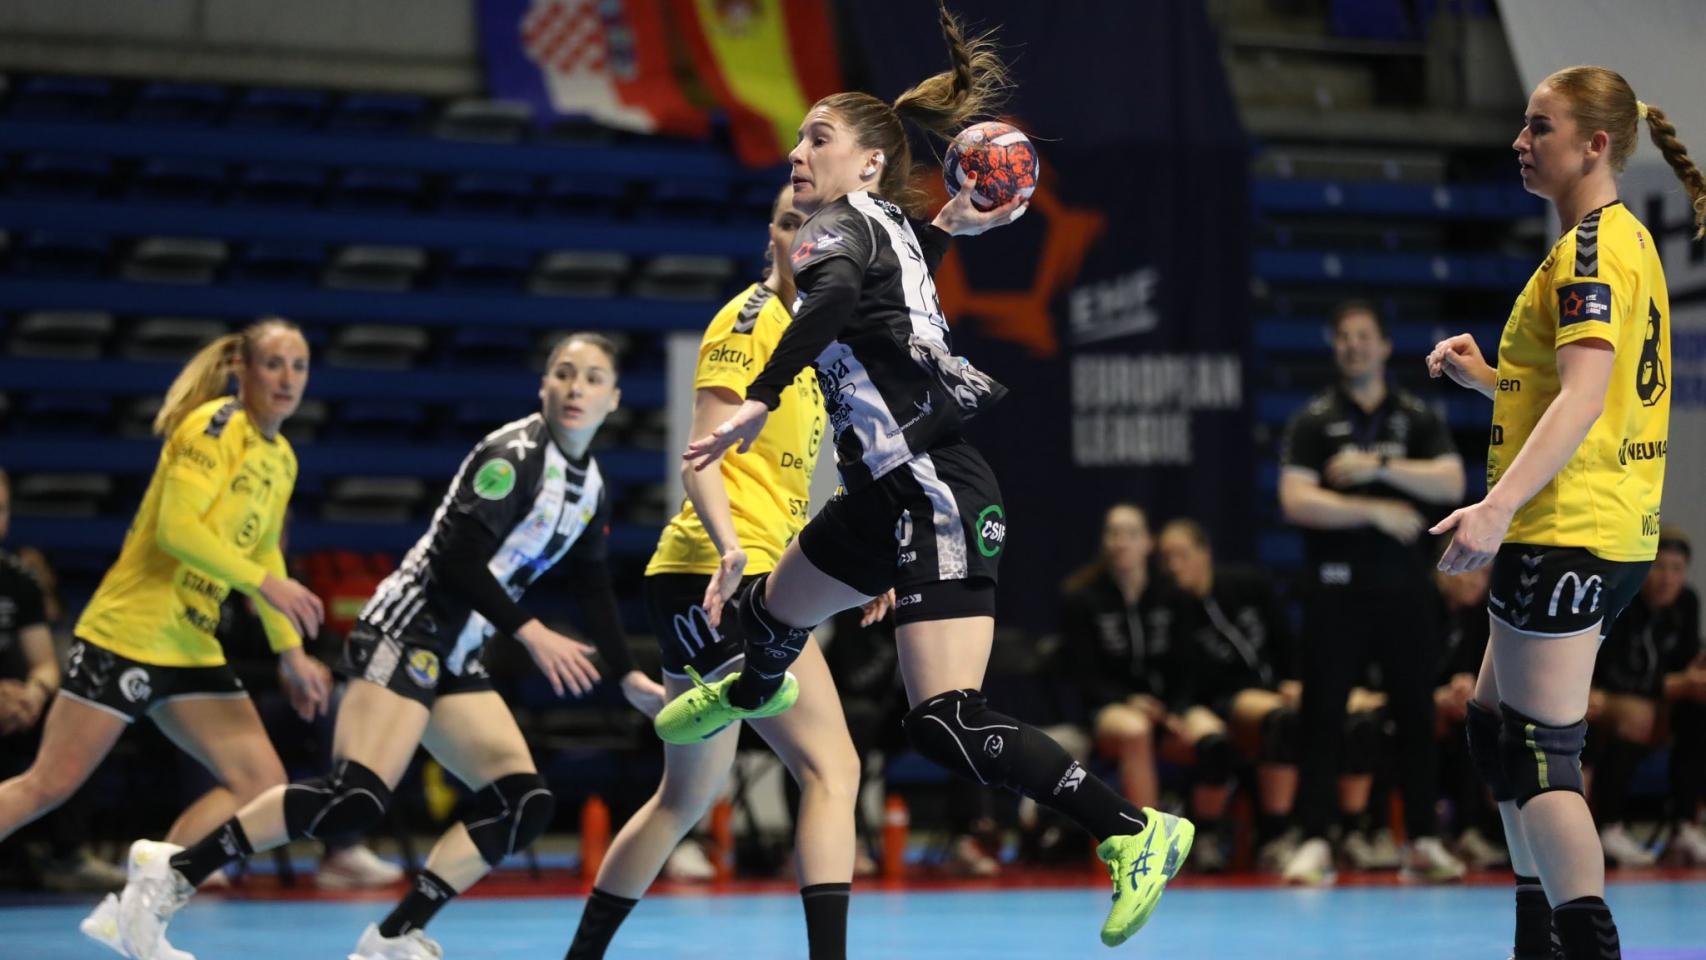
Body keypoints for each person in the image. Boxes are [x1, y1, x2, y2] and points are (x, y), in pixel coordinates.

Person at [652, 6, 1193, 947]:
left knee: (944, 721)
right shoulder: (890, 225)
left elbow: (822, 309)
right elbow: (885, 290)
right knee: (775, 618)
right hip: (887, 494)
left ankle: (1136, 831)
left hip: (933, 484)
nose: (796, 151)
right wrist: (952, 215)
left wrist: (757, 397)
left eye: (816, 136)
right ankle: (746, 690)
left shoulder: (837, 231)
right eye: (795, 137)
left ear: (868, 161)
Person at [111, 333, 668, 960]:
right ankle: (174, 875)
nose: (575, 388)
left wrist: (625, 676)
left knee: (522, 802)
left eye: (592, 379)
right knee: (355, 796)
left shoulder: (589, 486)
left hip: (456, 651)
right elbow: (455, 558)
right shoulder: (512, 455)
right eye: (563, 374)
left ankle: (392, 937)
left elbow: (592, 583)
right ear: (543, 386)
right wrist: (531, 632)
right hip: (407, 626)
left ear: (614, 398)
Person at [1425, 64, 1696, 960]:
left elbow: (1582, 400)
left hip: (1569, 527)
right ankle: (1536, 933)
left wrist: (1496, 508)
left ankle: (1583, 944)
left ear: (1595, 144)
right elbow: (1585, 392)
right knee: (1496, 724)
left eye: (1540, 127)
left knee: (1542, 750)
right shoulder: (1621, 243)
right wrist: (1493, 379)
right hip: (1606, 524)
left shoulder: (1588, 250)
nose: (1520, 141)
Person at [564, 185, 866, 960]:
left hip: (716, 576)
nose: (805, 237)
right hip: (725, 574)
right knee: (833, 768)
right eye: (793, 222)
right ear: (773, 235)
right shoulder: (747, 322)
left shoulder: (819, 336)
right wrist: (732, 550)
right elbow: (700, 454)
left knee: (683, 797)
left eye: (821, 227)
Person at [0, 320, 332, 958]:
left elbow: (264, 549)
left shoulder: (280, 457)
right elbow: (180, 532)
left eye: (299, 366)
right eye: (274, 364)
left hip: (191, 645)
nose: (287, 379)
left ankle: (139, 910)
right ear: (243, 366)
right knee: (46, 786)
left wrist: (291, 651)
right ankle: (139, 902)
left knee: (262, 784)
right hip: (129, 633)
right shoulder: (210, 428)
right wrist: (266, 584)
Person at [1277, 299, 1469, 885]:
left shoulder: (1415, 416)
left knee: (1415, 713)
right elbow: (1296, 499)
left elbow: (1452, 480)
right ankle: (1315, 838)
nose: (1353, 346)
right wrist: (1377, 511)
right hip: (1336, 591)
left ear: (1385, 345)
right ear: (1334, 347)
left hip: (1406, 591)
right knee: (1322, 714)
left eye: (1364, 336)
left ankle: (1423, 840)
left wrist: (1376, 467)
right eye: (1343, 337)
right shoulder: (1313, 420)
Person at [1586, 528, 1702, 866]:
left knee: (1697, 711)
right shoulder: (1623, 599)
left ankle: (1684, 825)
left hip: (1658, 699)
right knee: (1637, 715)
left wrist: (1686, 683)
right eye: (1659, 567)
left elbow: (1687, 660)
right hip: (1605, 695)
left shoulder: (1688, 603)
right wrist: (1671, 685)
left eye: (1676, 569)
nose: (1667, 578)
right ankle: (1609, 825)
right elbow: (1616, 673)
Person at [1431, 560, 1510, 870]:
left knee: (1478, 720)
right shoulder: (1420, 606)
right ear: (1444, 569)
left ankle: (1471, 829)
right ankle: (1423, 833)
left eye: (1485, 574)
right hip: (1395, 701)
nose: (1478, 581)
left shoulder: (1479, 614)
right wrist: (1437, 694)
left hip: (1453, 705)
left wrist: (1466, 687)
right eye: (1472, 571)